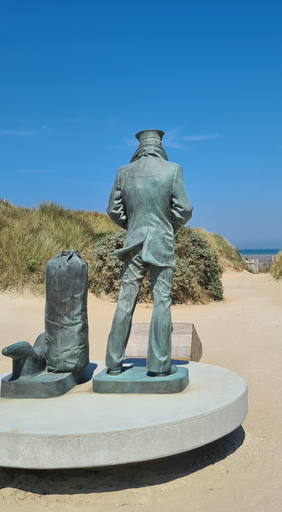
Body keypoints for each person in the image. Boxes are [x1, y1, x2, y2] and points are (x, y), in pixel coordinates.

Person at [105, 129, 193, 376]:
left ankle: (113, 363)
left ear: (140, 146)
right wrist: (167, 225)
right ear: (160, 144)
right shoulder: (173, 170)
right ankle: (160, 363)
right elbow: (185, 209)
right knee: (161, 301)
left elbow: (113, 210)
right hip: (161, 242)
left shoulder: (124, 172)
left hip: (133, 242)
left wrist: (132, 226)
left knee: (125, 300)